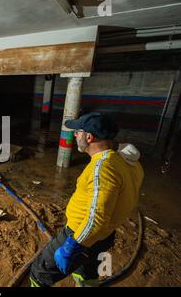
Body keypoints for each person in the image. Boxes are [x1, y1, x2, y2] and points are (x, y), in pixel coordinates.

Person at [29, 112, 144, 287]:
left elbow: (96, 219)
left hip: (80, 236)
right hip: (105, 236)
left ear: (89, 137)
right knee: (87, 270)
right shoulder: (126, 161)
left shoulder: (102, 169)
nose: (75, 135)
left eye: (78, 131)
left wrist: (71, 247)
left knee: (39, 272)